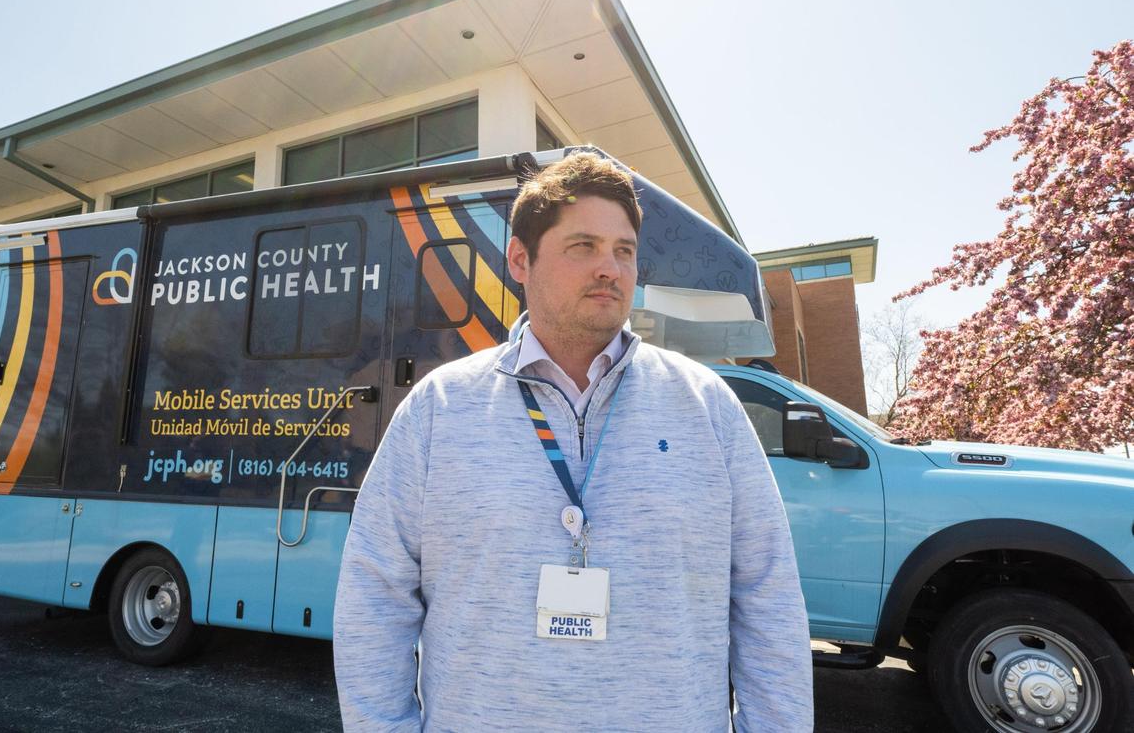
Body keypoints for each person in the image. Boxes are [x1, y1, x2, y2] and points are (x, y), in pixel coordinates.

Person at [333, 151, 813, 731]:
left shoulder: (706, 405)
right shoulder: (441, 408)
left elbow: (768, 600)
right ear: (520, 259)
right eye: (583, 246)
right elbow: (374, 597)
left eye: (624, 250)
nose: (609, 268)